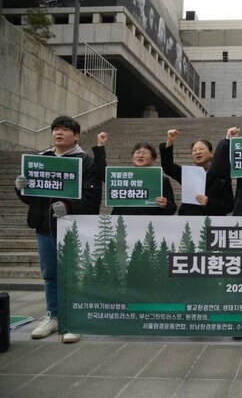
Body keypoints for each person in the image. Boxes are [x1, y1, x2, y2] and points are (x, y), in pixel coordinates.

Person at [15, 116, 104, 343]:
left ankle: (74, 319)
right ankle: (53, 316)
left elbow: (93, 199)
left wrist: (68, 205)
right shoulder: (41, 160)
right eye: (56, 129)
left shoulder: (86, 162)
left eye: (65, 129)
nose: (59, 133)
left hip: (74, 229)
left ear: (76, 135)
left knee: (74, 274)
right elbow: (31, 200)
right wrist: (21, 188)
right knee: (50, 275)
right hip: (45, 228)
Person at [95, 136, 177, 216]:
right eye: (137, 152)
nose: (140, 155)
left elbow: (172, 209)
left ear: (153, 159)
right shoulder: (122, 176)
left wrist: (166, 204)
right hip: (122, 223)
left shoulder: (161, 180)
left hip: (149, 224)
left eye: (145, 153)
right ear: (132, 157)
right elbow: (101, 172)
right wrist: (100, 145)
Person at [159, 129, 233, 216]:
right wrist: (169, 141)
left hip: (211, 222)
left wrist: (209, 202)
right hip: (188, 220)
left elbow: (229, 206)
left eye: (201, 149)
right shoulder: (188, 174)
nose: (198, 152)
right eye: (194, 150)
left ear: (211, 153)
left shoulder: (221, 175)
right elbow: (168, 167)